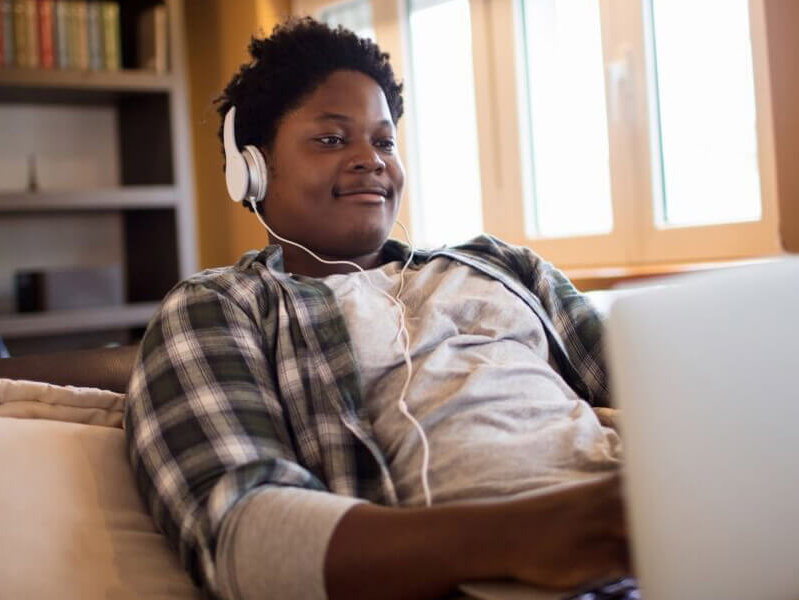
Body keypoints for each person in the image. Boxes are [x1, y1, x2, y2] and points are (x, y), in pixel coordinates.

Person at [124, 18, 630, 600]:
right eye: (332, 139)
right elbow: (242, 535)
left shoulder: (501, 266)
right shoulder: (220, 308)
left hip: (660, 553)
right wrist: (529, 536)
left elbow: (664, 390)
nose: (372, 160)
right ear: (252, 170)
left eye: (384, 141)